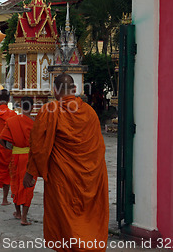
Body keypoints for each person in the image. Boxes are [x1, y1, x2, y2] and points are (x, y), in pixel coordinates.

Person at [24, 73, 109, 251]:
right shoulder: (90, 112)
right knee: (86, 215)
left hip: (61, 175)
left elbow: (37, 145)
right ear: (75, 90)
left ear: (55, 91)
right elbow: (98, 147)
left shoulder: (49, 110)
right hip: (89, 175)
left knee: (63, 215)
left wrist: (31, 171)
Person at [0, 97, 36, 226]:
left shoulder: (12, 121)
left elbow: (1, 139)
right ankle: (24, 218)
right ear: (32, 106)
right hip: (29, 158)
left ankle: (18, 212)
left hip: (15, 156)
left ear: (20, 106)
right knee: (27, 186)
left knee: (15, 183)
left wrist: (9, 147)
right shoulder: (35, 123)